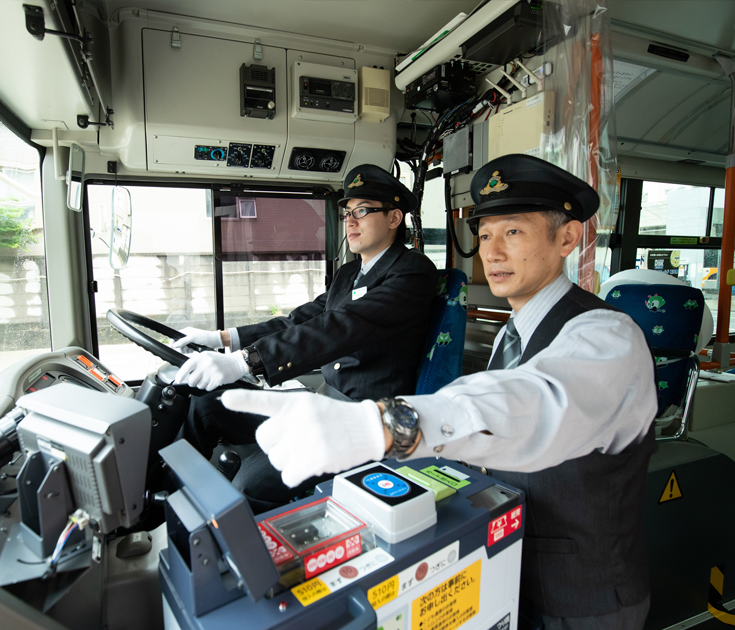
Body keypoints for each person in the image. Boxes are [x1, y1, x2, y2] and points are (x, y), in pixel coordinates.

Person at [221, 154, 658, 629]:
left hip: (578, 600)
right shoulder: (516, 333)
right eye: (485, 235)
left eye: (512, 232)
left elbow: (535, 402)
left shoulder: (609, 336)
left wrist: (384, 425)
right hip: (498, 566)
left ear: (568, 237)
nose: (490, 253)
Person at [171, 164, 439, 508]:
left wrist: (246, 362)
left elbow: (341, 326)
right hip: (321, 401)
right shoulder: (348, 273)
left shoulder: (413, 272)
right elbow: (301, 320)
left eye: (362, 211)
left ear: (394, 218)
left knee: (246, 487)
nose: (350, 221)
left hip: (365, 418)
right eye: (347, 212)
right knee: (206, 406)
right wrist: (224, 339)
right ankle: (166, 505)